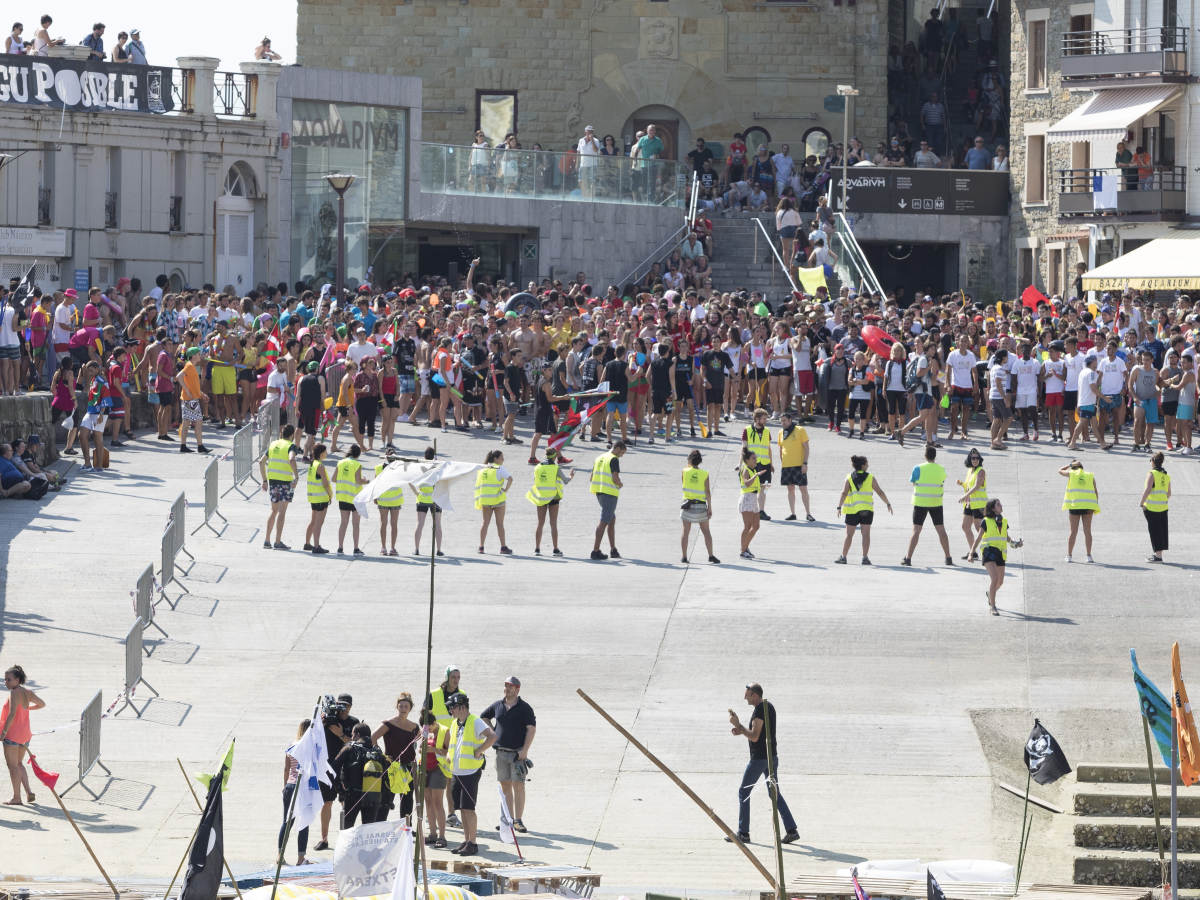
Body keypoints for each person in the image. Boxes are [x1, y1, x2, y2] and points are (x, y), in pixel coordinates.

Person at [726, 683, 800, 845]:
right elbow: (757, 733)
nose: (745, 697)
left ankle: (743, 833)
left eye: (748, 694)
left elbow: (754, 736)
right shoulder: (768, 707)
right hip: (771, 756)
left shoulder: (760, 710)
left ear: (755, 695)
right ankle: (791, 830)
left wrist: (738, 725)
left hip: (760, 759)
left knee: (743, 792)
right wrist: (742, 730)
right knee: (774, 794)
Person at [481, 677, 536, 833]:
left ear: (517, 689)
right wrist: (493, 732)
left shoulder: (525, 708)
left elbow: (531, 729)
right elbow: (484, 716)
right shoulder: (498, 705)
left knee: (518, 786)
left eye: (511, 686)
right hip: (500, 753)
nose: (507, 688)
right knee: (504, 786)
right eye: (506, 685)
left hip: (517, 754)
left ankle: (518, 820)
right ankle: (508, 819)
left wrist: (525, 750)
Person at [445, 692, 497, 857]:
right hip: (457, 771)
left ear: (461, 707)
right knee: (460, 808)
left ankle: (473, 843)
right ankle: (466, 840)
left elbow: (492, 736)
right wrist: (449, 756)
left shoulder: (475, 721)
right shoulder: (455, 723)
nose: (451, 710)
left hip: (470, 772)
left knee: (469, 808)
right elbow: (454, 744)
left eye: (452, 707)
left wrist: (480, 750)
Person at [835, 454, 892, 565]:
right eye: (867, 464)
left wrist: (839, 506)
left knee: (849, 535)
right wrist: (887, 503)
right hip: (867, 510)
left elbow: (844, 493)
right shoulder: (870, 477)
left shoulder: (849, 477)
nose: (868, 465)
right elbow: (879, 492)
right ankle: (865, 558)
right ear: (862, 466)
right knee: (866, 535)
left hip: (852, 510)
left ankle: (843, 557)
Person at [372, 693, 420, 823]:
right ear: (397, 707)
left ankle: (406, 827)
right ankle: (380, 825)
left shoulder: (415, 727)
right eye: (401, 706)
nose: (403, 708)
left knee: (407, 798)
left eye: (406, 706)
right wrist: (382, 756)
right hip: (392, 765)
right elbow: (373, 738)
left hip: (408, 766)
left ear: (410, 708)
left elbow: (421, 741)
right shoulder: (389, 723)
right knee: (387, 798)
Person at [903, 444, 953, 567]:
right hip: (936, 502)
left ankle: (908, 558)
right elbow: (942, 481)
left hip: (920, 503)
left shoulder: (918, 468)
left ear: (925, 456)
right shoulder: (941, 469)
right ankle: (948, 557)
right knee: (941, 530)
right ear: (935, 456)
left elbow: (913, 482)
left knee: (916, 531)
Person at [2, 665, 43, 805]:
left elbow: (12, 714)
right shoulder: (28, 692)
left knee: (12, 766)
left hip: (13, 735)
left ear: (17, 680)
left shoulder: (14, 692)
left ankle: (16, 797)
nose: (5, 682)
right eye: (4, 679)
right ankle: (28, 792)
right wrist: (26, 708)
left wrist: (4, 732)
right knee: (19, 763)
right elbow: (42, 704)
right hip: (25, 735)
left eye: (8, 679)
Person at [333, 723, 388, 827]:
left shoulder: (349, 748)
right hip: (373, 795)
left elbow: (333, 769)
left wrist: (340, 790)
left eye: (352, 734)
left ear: (357, 734)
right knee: (367, 831)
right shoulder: (378, 752)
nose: (352, 737)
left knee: (347, 829)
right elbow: (385, 776)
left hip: (352, 795)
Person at [260, 423, 300, 550]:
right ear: (292, 435)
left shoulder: (273, 444)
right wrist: (296, 476)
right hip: (285, 482)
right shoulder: (291, 446)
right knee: (282, 512)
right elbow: (292, 459)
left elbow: (261, 461)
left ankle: (267, 540)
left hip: (273, 481)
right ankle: (277, 541)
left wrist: (264, 480)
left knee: (274, 511)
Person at [526, 448, 573, 556]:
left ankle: (537, 549)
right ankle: (555, 549)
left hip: (541, 497)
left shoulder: (538, 467)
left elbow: (536, 480)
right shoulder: (555, 468)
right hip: (553, 497)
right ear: (555, 456)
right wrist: (571, 476)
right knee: (553, 524)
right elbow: (566, 481)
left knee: (540, 524)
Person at [279, 719, 313, 866]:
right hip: (303, 787)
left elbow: (286, 769)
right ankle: (300, 858)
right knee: (304, 823)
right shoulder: (310, 747)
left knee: (287, 822)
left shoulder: (292, 745)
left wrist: (284, 786)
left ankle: (280, 855)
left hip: (290, 786)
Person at [980, 498, 1022, 616]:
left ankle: (990, 593)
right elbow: (979, 537)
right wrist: (971, 552)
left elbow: (1006, 537)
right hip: (988, 551)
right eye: (998, 505)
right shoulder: (986, 521)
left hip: (1000, 553)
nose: (1001, 506)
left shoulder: (1003, 521)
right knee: (994, 579)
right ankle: (993, 606)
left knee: (1000, 582)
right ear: (993, 508)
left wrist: (1015, 544)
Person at [589, 439, 626, 561]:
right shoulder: (613, 459)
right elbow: (615, 478)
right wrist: (620, 484)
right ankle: (595, 550)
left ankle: (613, 549)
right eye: (622, 453)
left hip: (599, 492)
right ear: (618, 448)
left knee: (611, 519)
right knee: (604, 521)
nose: (622, 456)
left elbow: (591, 477)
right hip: (609, 493)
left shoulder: (600, 457)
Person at [681, 449, 720, 564]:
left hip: (687, 505)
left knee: (685, 532)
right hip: (701, 506)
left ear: (690, 459)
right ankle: (711, 555)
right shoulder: (705, 474)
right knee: (706, 531)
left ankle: (684, 557)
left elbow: (683, 484)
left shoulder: (684, 471)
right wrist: (710, 507)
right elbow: (707, 492)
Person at [420, 709, 451, 848]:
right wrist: (422, 748)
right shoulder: (426, 730)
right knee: (428, 800)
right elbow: (421, 747)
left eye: (429, 726)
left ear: (434, 723)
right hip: (426, 767)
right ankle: (432, 833)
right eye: (425, 727)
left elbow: (450, 751)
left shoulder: (445, 731)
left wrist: (435, 750)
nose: (427, 729)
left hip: (439, 768)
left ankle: (442, 836)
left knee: (438, 802)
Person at [1059, 459, 1099, 563]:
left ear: (1073, 467)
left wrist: (1069, 465)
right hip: (1088, 506)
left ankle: (1069, 555)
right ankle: (1089, 556)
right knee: (1087, 531)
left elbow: (1059, 470)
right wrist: (1095, 505)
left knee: (1073, 532)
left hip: (1075, 505)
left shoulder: (1071, 473)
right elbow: (1095, 491)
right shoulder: (1090, 475)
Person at [475, 449, 513, 554]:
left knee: (485, 523)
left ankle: (481, 547)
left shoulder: (483, 468)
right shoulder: (500, 468)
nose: (503, 460)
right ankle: (503, 547)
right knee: (500, 524)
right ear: (496, 459)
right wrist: (506, 490)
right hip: (498, 500)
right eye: (501, 458)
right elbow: (510, 479)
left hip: (485, 500)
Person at [335, 445, 368, 556]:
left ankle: (340, 548)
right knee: (356, 524)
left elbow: (333, 478)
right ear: (358, 454)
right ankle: (356, 548)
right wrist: (366, 481)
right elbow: (358, 481)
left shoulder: (340, 462)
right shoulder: (357, 464)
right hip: (355, 498)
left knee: (343, 523)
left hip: (343, 497)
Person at [956, 448, 987, 560]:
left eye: (977, 458)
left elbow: (977, 486)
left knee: (980, 530)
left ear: (980, 459)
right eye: (973, 458)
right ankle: (972, 552)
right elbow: (969, 486)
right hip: (970, 504)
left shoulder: (981, 471)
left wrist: (964, 496)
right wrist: (962, 484)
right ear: (969, 459)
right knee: (965, 527)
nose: (975, 460)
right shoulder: (970, 470)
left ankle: (987, 552)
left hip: (979, 504)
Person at [742, 408, 773, 520]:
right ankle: (751, 510)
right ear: (757, 418)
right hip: (752, 464)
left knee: (763, 488)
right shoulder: (747, 430)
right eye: (764, 418)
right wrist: (741, 464)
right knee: (752, 489)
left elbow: (769, 448)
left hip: (765, 464)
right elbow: (744, 449)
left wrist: (771, 463)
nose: (765, 420)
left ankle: (761, 511)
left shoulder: (767, 431)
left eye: (766, 418)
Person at [177, 347, 210, 454]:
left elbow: (193, 385)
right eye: (198, 353)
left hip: (189, 399)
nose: (200, 355)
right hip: (191, 400)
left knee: (186, 423)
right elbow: (179, 376)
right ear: (194, 355)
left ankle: (183, 446)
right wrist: (187, 391)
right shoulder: (190, 366)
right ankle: (200, 446)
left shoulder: (191, 366)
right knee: (198, 422)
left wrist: (201, 394)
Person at [1139, 451, 1170, 563]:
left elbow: (1147, 489)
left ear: (1153, 462)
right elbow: (1169, 493)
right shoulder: (1165, 475)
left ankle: (1158, 556)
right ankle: (1159, 554)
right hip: (1163, 507)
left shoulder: (1152, 474)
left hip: (1152, 507)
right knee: (1162, 531)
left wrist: (1141, 502)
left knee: (1154, 531)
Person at [412, 446, 444, 556]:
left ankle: (416, 549)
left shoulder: (419, 466)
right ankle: (439, 550)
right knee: (438, 525)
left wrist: (416, 492)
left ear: (424, 456)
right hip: (435, 498)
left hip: (422, 498)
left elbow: (411, 481)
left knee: (419, 524)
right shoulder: (437, 467)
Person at [374, 448, 406, 557]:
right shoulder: (399, 469)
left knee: (383, 524)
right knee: (394, 524)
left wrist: (375, 496)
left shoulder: (379, 468)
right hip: (395, 500)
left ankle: (383, 548)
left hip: (383, 499)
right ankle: (392, 548)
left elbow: (375, 483)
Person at [304, 444, 334, 555]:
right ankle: (316, 546)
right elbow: (325, 483)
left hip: (313, 497)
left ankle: (307, 543)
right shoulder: (320, 466)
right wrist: (330, 495)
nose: (327, 454)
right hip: (321, 497)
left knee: (313, 521)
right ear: (321, 453)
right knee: (318, 523)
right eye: (326, 452)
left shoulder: (312, 464)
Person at [737, 447, 763, 559]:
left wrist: (763, 486)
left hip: (753, 499)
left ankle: (745, 547)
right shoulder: (746, 469)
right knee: (747, 526)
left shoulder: (752, 470)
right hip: (747, 499)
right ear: (747, 460)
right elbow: (747, 483)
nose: (755, 460)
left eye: (755, 458)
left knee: (756, 526)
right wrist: (756, 476)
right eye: (753, 458)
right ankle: (743, 550)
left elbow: (753, 486)